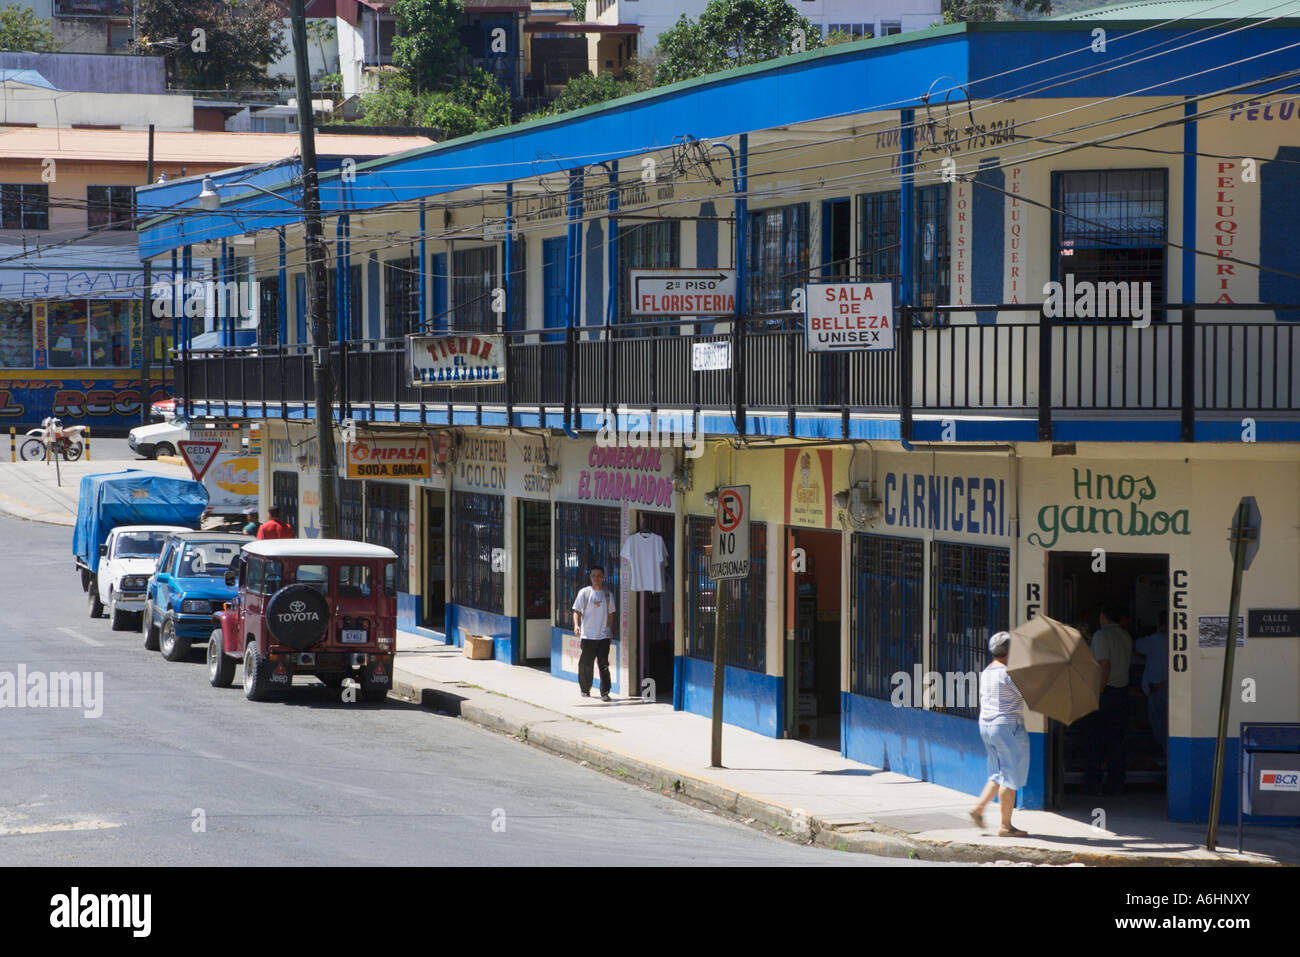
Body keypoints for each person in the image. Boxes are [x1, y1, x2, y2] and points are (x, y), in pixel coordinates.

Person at [971, 631, 1030, 837]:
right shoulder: (1008, 673)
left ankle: (978, 808)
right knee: (1010, 776)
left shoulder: (987, 671)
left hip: (986, 725)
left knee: (997, 772)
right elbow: (1028, 693)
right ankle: (1006, 826)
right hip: (1007, 726)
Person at [1087, 605, 1133, 794]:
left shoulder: (1101, 636)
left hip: (1105, 693)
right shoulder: (1125, 635)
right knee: (1116, 741)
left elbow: (1104, 665)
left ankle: (1094, 784)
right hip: (1122, 693)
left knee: (1094, 741)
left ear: (1102, 615)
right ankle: (1117, 783)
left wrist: (1098, 691)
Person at [572, 565, 615, 702]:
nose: (596, 578)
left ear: (603, 578)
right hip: (587, 636)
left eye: (599, 576)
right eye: (594, 575)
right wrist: (576, 625)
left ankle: (605, 692)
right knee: (585, 664)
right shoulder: (584, 593)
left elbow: (611, 616)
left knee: (604, 665)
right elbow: (576, 611)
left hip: (603, 636)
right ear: (590, 577)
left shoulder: (608, 595)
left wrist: (610, 633)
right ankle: (585, 689)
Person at [1135, 610, 1169, 761]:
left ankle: (1166, 757)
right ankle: (1168, 757)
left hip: (1159, 689)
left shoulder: (1156, 639)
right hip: (1171, 689)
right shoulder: (1176, 640)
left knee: (1160, 727)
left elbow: (1137, 646)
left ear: (1161, 625)